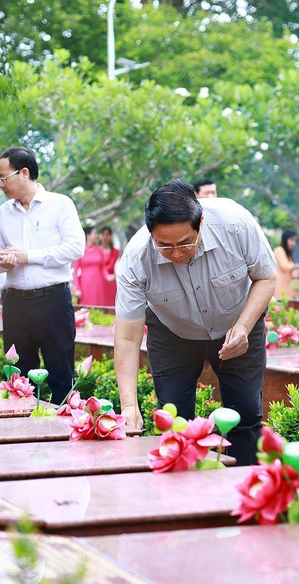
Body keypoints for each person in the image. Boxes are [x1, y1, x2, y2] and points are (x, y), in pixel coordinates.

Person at [114, 180, 277, 465]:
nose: (176, 254)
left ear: (201, 221)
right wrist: (129, 406)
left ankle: (243, 493)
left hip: (236, 326)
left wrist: (244, 327)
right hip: (172, 333)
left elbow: (266, 276)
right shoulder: (135, 258)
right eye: (164, 246)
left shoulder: (236, 224)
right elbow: (128, 337)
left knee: (246, 414)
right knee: (174, 417)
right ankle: (186, 498)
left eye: (185, 243)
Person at [0, 146, 85, 404]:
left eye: (3, 177)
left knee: (61, 373)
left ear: (24, 173)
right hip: (16, 303)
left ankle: (62, 435)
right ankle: (21, 433)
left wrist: (28, 256)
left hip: (53, 300)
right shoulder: (4, 212)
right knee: (19, 376)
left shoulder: (60, 204)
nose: (0, 184)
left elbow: (76, 248)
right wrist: (4, 262)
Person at [72, 226, 108, 306]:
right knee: (86, 307)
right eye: (95, 233)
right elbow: (75, 270)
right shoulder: (80, 251)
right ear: (88, 235)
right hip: (85, 284)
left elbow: (103, 267)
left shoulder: (99, 249)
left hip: (98, 283)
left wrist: (108, 276)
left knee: (99, 307)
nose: (97, 236)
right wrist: (77, 288)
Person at [273, 231, 299, 300]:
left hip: (287, 288)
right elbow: (284, 266)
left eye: (295, 241)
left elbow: (292, 275)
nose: (294, 243)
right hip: (278, 286)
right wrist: (298, 265)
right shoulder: (279, 250)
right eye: (292, 240)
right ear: (285, 239)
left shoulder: (289, 255)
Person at [98, 225, 120, 305]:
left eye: (107, 234)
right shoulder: (96, 250)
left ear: (110, 236)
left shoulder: (115, 251)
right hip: (97, 281)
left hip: (110, 281)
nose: (105, 237)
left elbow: (110, 266)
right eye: (103, 234)